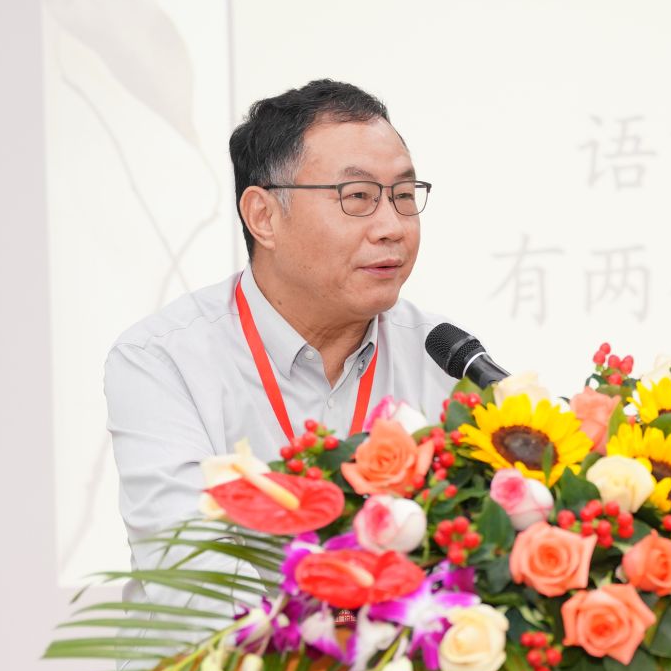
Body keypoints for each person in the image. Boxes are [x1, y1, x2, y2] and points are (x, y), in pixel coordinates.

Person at [104, 80, 457, 570]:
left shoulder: (445, 357)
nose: (392, 227)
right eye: (357, 196)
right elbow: (190, 571)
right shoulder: (164, 361)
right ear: (263, 216)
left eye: (402, 195)